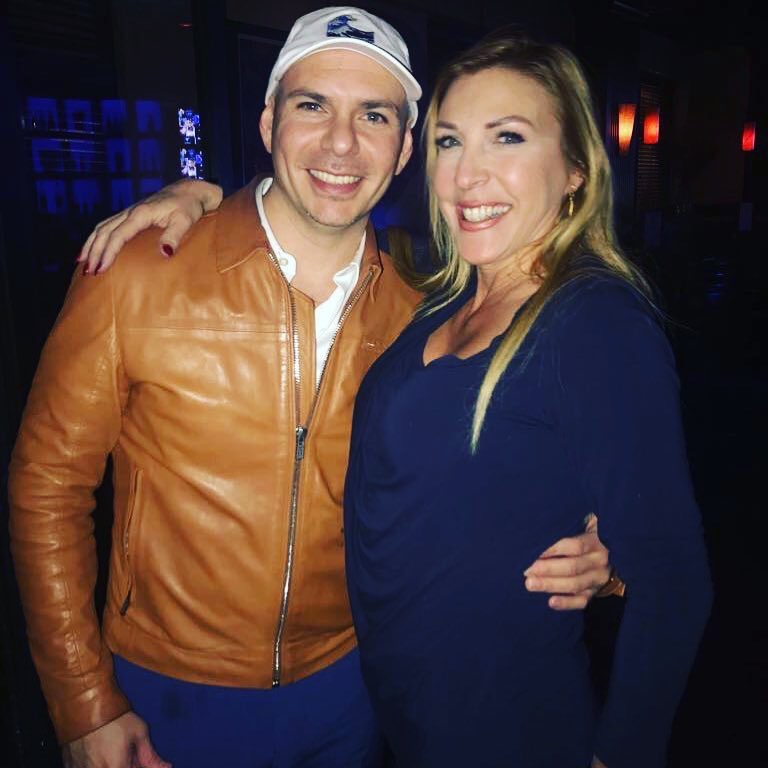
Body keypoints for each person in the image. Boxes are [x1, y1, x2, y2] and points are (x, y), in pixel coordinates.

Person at [8, 8, 614, 768]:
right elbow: (47, 484)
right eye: (312, 105)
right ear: (269, 122)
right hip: (167, 691)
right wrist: (83, 703)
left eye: (374, 115)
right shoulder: (139, 272)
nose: (341, 142)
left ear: (404, 150)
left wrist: (606, 547)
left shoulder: (431, 307)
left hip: (353, 688)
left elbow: (510, 473)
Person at [342, 33, 713, 768]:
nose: (467, 174)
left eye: (506, 137)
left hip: (507, 730)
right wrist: (198, 201)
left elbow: (675, 582)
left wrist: (620, 754)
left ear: (576, 168)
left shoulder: (594, 323)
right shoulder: (440, 299)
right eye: (450, 141)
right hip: (404, 718)